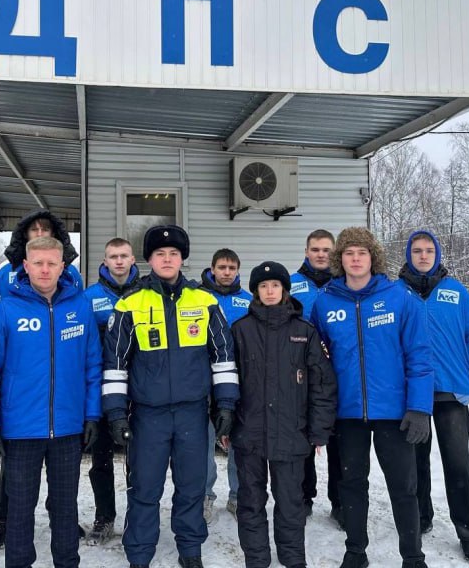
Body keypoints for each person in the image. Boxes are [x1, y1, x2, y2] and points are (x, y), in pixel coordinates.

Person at [103, 225, 239, 568]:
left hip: (193, 412)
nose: (167, 259)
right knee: (144, 488)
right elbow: (115, 364)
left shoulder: (205, 301)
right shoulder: (130, 303)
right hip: (148, 416)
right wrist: (116, 413)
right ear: (149, 260)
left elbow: (223, 357)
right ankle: (139, 553)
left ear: (182, 259)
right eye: (160, 254)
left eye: (174, 254)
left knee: (192, 486)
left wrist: (225, 404)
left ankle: (190, 549)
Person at [0, 236, 102, 568]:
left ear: (63, 266)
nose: (45, 270)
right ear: (26, 266)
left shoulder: (80, 307)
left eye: (51, 263)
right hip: (20, 429)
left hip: (68, 428)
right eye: (38, 263)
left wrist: (92, 415)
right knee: (20, 509)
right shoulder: (6, 310)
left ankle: (67, 562)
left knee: (65, 507)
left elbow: (92, 365)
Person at [311, 227, 434, 568]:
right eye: (348, 253)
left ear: (372, 257)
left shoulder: (399, 298)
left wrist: (419, 407)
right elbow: (316, 361)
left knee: (403, 487)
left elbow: (419, 355)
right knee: (351, 484)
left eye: (361, 253)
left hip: (394, 413)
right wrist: (321, 410)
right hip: (347, 413)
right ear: (340, 259)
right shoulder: (325, 302)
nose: (355, 259)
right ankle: (355, 552)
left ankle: (413, 556)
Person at [231, 261, 337, 568]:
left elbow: (322, 384)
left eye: (275, 285)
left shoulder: (304, 332)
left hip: (292, 433)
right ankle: (257, 558)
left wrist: (319, 430)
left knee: (291, 502)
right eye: (263, 286)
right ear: (255, 292)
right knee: (250, 501)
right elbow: (225, 382)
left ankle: (292, 558)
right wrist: (225, 423)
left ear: (285, 290)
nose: (270, 291)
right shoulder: (240, 331)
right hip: (249, 432)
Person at [0, 208, 83, 548]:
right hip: (21, 412)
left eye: (46, 231)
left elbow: (86, 356)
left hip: (64, 415)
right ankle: (10, 536)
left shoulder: (75, 290)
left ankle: (64, 539)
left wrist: (90, 414)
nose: (45, 269)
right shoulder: (6, 290)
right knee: (18, 494)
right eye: (34, 231)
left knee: (64, 494)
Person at [398, 229, 469, 562]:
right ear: (408, 254)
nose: (423, 255)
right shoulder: (396, 293)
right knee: (415, 464)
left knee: (457, 465)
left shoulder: (456, 292)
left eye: (429, 250)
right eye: (417, 250)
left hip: (450, 391)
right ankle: (422, 517)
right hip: (411, 394)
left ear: (437, 255)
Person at [82, 237, 139, 545]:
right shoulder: (89, 297)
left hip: (140, 389)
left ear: (133, 260)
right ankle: (104, 517)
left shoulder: (146, 293)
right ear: (104, 261)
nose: (118, 261)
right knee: (101, 458)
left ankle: (137, 517)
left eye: (124, 256)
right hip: (103, 388)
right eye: (113, 256)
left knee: (138, 460)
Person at [289, 229, 343, 526]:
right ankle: (303, 497)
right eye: (315, 249)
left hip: (340, 372)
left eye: (326, 250)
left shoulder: (344, 283)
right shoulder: (292, 284)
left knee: (339, 440)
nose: (321, 254)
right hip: (302, 372)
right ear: (306, 251)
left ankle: (340, 501)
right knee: (303, 437)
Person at [199, 248, 252, 522]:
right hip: (204, 379)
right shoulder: (199, 297)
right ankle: (205, 496)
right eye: (222, 267)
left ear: (238, 270)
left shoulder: (249, 301)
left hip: (239, 379)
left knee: (238, 441)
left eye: (232, 268)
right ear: (212, 269)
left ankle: (237, 496)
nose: (227, 272)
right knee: (204, 441)